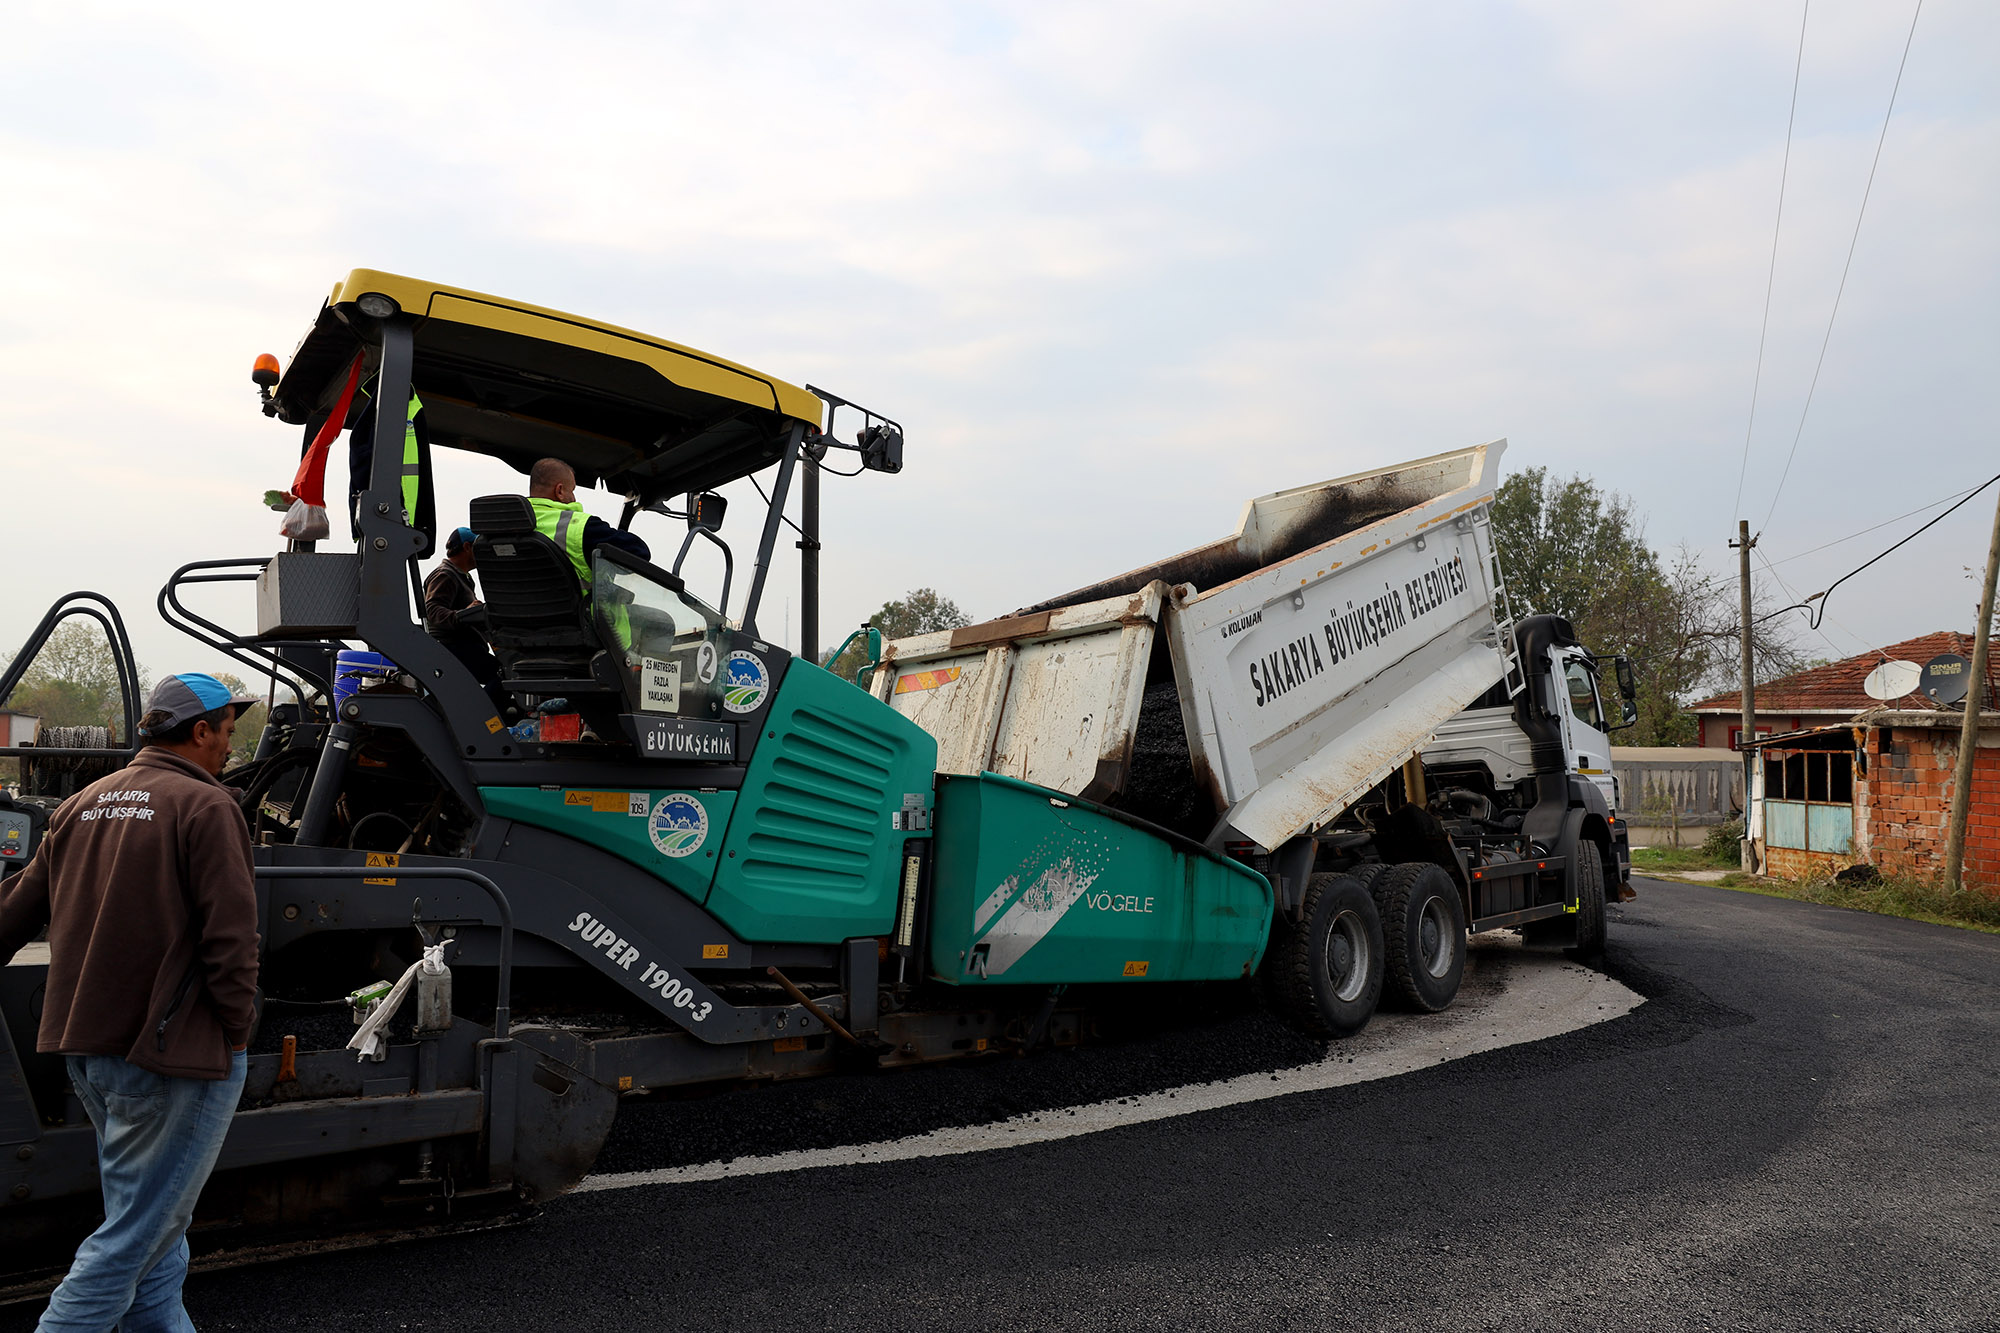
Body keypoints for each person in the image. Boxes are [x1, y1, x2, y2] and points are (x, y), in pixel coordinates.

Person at [0, 673, 260, 1333]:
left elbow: (13, 915)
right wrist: (235, 1032)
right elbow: (231, 941)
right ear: (201, 730)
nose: (229, 748)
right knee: (136, 1237)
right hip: (171, 1053)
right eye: (228, 732)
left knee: (151, 1234)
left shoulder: (80, 804)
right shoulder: (207, 806)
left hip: (84, 1046)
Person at [527, 457, 649, 594]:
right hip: (580, 614)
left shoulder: (505, 525)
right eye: (572, 490)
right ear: (560, 491)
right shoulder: (578, 527)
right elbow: (640, 552)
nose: (574, 498)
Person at [424, 526, 507, 712]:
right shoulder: (445, 574)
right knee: (503, 675)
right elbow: (433, 610)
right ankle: (481, 718)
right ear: (468, 547)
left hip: (463, 647)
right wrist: (463, 615)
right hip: (453, 648)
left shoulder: (462, 577)